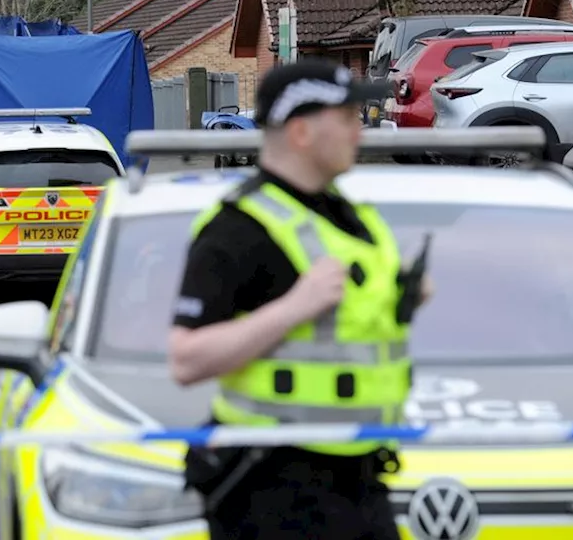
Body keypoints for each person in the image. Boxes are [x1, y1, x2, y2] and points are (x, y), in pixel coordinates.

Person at [169, 59, 432, 540]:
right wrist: (294, 307)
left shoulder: (350, 216)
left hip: (361, 475)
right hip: (273, 489)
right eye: (349, 118)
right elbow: (187, 360)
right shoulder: (236, 230)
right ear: (301, 132)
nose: (362, 130)